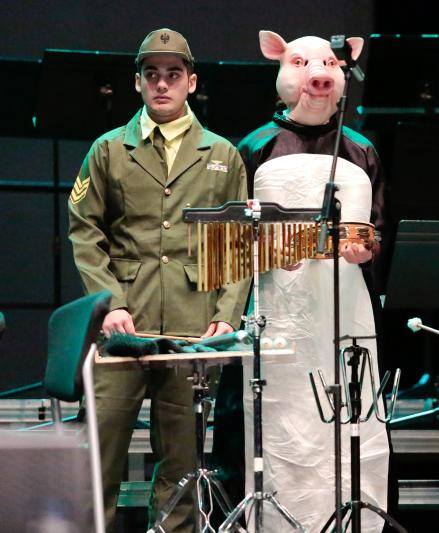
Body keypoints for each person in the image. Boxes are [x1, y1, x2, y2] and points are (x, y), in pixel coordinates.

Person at [68, 28, 249, 532]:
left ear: (191, 82)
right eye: (152, 75)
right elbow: (85, 231)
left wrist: (226, 316)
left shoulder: (222, 154)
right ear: (138, 83)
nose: (162, 84)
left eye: (173, 74)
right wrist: (108, 304)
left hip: (193, 325)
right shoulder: (108, 150)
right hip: (122, 325)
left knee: (182, 464)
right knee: (100, 456)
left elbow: (237, 245)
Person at [221, 30, 389, 532]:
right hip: (276, 302)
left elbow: (374, 228)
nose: (317, 75)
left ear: (342, 73)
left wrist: (365, 249)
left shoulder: (361, 150)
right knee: (278, 413)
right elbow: (231, 232)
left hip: (343, 305)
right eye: (301, 63)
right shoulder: (253, 146)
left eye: (327, 65)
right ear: (280, 67)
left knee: (345, 417)